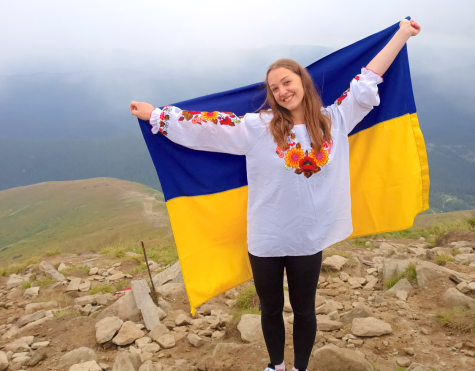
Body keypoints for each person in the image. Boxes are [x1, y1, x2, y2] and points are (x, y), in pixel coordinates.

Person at [131, 18, 420, 371]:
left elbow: (367, 80)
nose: (283, 91)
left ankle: (299, 368)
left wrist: (402, 34)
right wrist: (157, 115)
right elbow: (207, 127)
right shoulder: (258, 128)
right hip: (266, 237)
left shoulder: (335, 121)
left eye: (287, 81)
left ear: (302, 82)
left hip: (308, 237)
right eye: (275, 87)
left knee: (304, 309)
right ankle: (276, 366)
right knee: (269, 309)